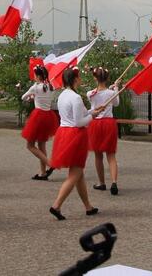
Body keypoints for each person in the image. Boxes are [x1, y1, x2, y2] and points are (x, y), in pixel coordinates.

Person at [49, 67, 101, 220]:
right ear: (75, 79)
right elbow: (79, 122)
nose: (80, 79)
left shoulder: (63, 95)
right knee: (75, 173)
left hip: (64, 133)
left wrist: (93, 111)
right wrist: (93, 117)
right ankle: (56, 205)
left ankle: (88, 206)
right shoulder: (76, 97)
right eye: (78, 77)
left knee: (79, 173)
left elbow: (81, 114)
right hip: (75, 135)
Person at [20, 65, 58, 180]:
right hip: (48, 116)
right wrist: (34, 97)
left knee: (30, 145)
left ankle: (50, 164)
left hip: (38, 116)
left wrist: (30, 97)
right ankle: (43, 173)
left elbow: (23, 97)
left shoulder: (35, 87)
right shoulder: (50, 86)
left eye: (35, 75)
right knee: (42, 145)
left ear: (38, 76)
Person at [87, 67, 120, 195]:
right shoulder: (111, 94)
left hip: (96, 124)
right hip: (109, 123)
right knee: (111, 155)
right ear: (107, 78)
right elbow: (116, 103)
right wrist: (115, 88)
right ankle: (114, 182)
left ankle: (101, 183)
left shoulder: (90, 93)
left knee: (98, 155)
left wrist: (111, 89)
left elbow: (94, 104)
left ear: (95, 78)